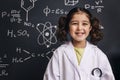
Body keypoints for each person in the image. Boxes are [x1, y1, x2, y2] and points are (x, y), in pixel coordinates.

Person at [43, 7, 115, 80]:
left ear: (90, 28)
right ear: (68, 26)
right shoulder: (59, 54)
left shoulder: (99, 55)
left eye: (84, 24)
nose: (79, 28)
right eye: (74, 23)